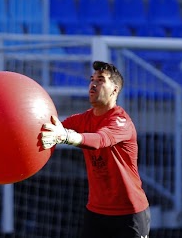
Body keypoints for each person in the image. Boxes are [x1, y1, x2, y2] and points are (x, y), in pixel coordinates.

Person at [40, 60, 150, 238]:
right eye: (92, 79)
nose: (93, 83)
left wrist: (65, 136)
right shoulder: (83, 119)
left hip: (129, 213)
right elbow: (53, 128)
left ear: (114, 90)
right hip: (96, 211)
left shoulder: (121, 121)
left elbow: (100, 139)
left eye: (101, 80)